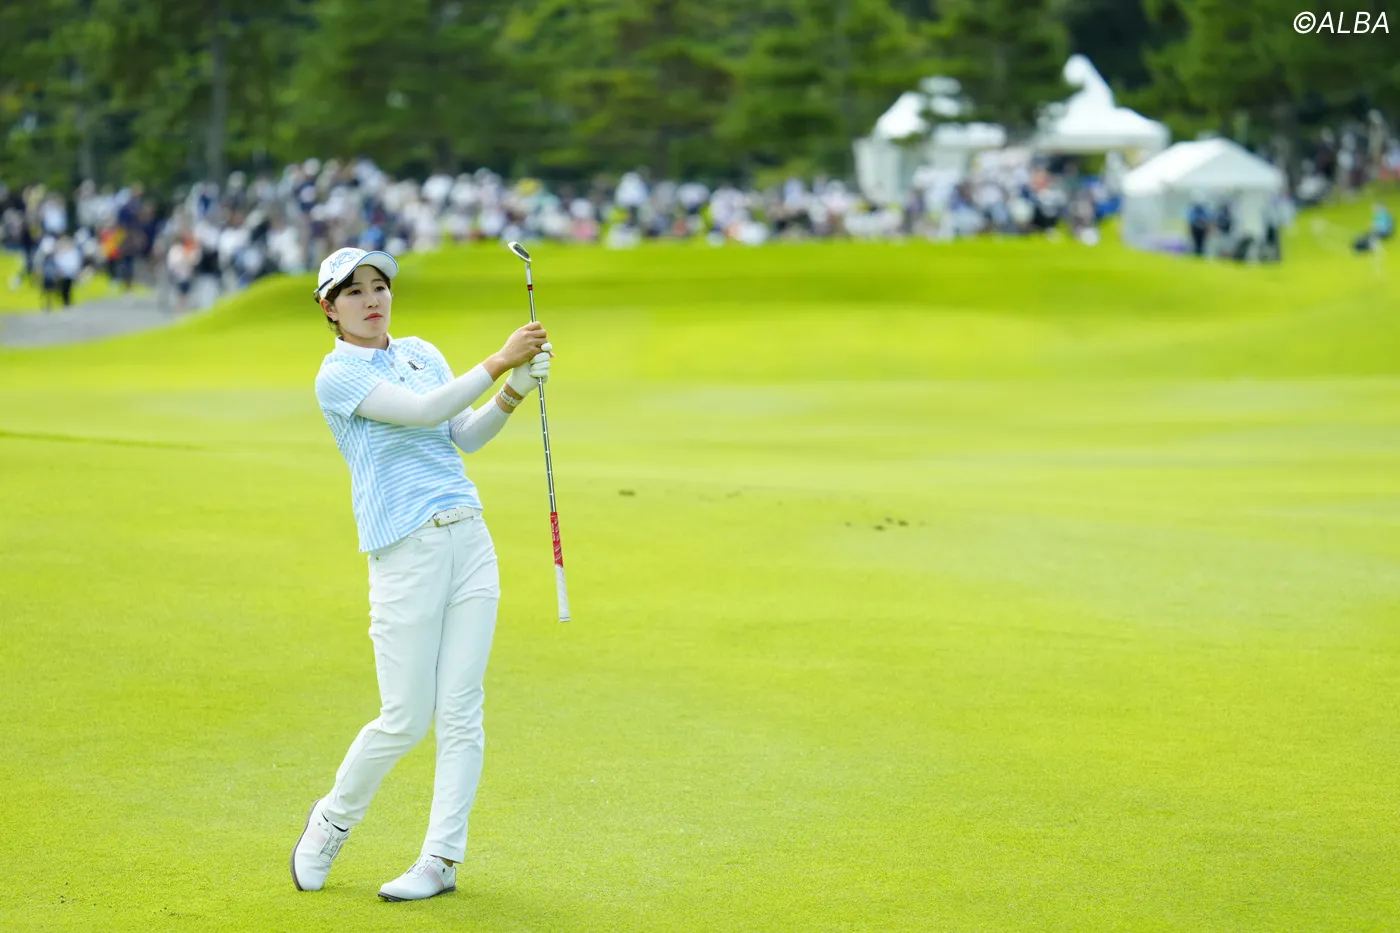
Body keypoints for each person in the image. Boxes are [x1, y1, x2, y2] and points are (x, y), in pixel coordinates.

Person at [292, 246, 553, 902]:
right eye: (354, 291)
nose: (372, 300)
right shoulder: (337, 374)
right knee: (406, 716)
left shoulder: (420, 352)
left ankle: (440, 859)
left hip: (469, 537)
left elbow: (463, 435)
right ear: (329, 308)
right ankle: (331, 821)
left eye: (379, 287)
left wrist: (516, 389)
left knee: (462, 709)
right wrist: (501, 360)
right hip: (405, 549)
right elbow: (423, 412)